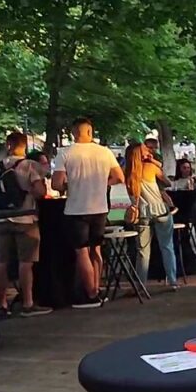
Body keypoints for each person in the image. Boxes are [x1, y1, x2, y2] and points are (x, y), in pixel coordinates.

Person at [52, 118, 125, 309]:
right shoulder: (104, 152)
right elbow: (119, 177)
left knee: (82, 251)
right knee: (96, 249)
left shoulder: (65, 153)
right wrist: (102, 184)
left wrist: (69, 186)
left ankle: (89, 294)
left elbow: (56, 184)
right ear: (90, 132)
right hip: (100, 207)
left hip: (76, 209)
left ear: (73, 132)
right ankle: (96, 288)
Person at [0, 132, 51, 316]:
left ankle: (2, 303)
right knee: (25, 262)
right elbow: (40, 192)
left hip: (2, 218)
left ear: (8, 145)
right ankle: (27, 303)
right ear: (24, 145)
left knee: (2, 262)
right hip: (25, 218)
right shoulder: (29, 165)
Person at [123, 142, 179, 290]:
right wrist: (154, 162)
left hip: (142, 214)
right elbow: (167, 183)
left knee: (143, 251)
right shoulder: (151, 167)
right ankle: (172, 281)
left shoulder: (127, 173)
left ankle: (141, 284)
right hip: (160, 210)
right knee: (167, 247)